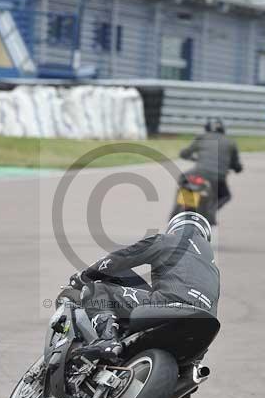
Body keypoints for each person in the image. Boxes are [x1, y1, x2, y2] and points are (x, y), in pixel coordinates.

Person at [68, 211, 219, 361]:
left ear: (174, 228)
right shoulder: (214, 270)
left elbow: (121, 258)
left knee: (97, 289)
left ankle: (107, 340)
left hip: (167, 303)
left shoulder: (168, 240)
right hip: (204, 323)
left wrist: (84, 276)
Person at [178, 118, 243, 223]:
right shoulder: (230, 142)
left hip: (197, 172)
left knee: (183, 180)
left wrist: (193, 158)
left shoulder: (202, 138)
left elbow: (184, 153)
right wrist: (237, 168)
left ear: (207, 128)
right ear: (223, 129)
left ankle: (179, 208)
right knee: (226, 195)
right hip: (218, 178)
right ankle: (211, 211)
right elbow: (236, 164)